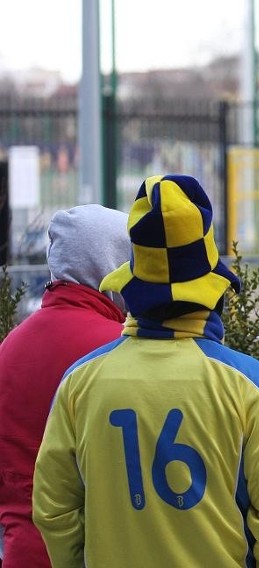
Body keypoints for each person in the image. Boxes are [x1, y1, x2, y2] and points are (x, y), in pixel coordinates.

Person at [32, 174, 259, 567]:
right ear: (213, 289)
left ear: (130, 283)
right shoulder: (251, 386)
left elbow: (53, 509)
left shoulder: (79, 383)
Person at [0, 204, 131, 568]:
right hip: (95, 553)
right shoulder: (118, 347)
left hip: (22, 551)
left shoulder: (10, 347)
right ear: (111, 265)